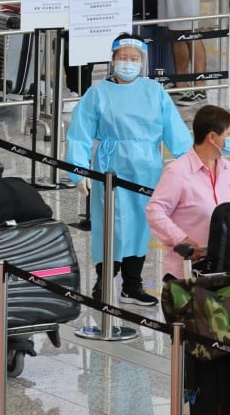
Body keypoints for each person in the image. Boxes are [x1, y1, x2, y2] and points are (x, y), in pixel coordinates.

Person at [66, 34, 191, 305]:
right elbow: (80, 133)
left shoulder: (154, 91)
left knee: (140, 226)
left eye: (134, 58)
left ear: (142, 62)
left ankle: (132, 285)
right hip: (110, 167)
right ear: (113, 60)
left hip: (147, 168)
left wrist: (190, 165)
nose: (128, 63)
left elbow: (175, 130)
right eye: (123, 57)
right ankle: (103, 281)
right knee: (110, 225)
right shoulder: (97, 93)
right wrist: (79, 170)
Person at [146, 105, 230, 281]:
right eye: (228, 133)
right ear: (212, 137)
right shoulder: (177, 172)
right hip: (185, 273)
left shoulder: (229, 170)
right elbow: (155, 212)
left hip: (224, 269)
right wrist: (181, 238)